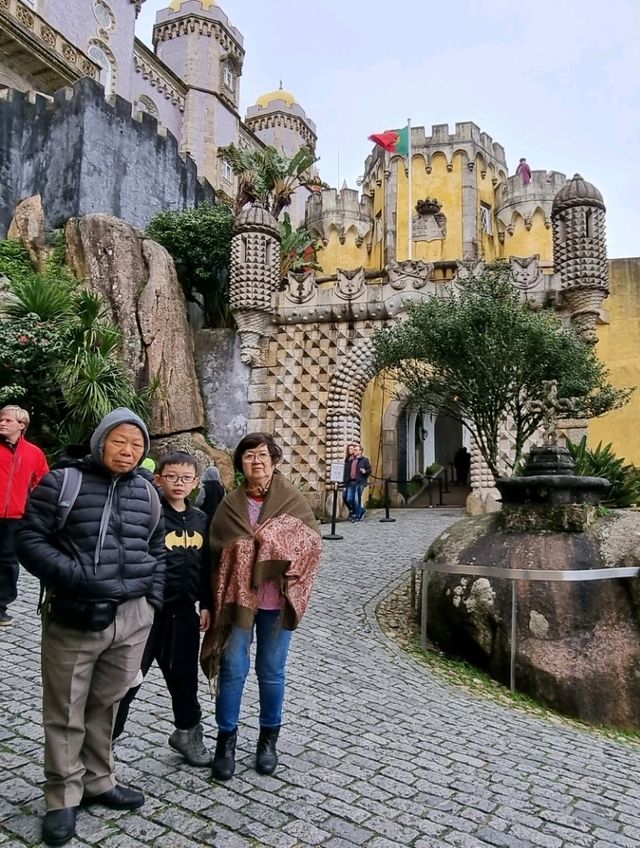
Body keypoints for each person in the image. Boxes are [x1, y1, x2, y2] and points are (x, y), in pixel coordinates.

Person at [16, 408, 166, 848]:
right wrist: (76, 578)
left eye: (137, 444)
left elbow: (156, 546)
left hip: (132, 617)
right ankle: (62, 797)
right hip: (75, 614)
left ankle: (99, 780)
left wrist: (150, 602)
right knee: (65, 709)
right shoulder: (63, 482)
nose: (128, 450)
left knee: (108, 703)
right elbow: (28, 539)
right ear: (101, 440)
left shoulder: (147, 492)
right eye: (120, 441)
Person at [200, 432, 322, 782]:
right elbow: (214, 552)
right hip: (238, 602)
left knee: (271, 671)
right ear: (240, 464)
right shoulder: (229, 505)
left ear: (275, 461)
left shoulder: (291, 500)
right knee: (233, 667)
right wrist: (244, 548)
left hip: (275, 601)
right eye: (249, 455)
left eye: (263, 455)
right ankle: (226, 741)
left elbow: (311, 545)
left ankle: (268, 740)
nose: (256, 461)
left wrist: (271, 544)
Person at [113, 450, 212, 767]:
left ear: (195, 482)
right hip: (147, 612)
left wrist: (207, 603)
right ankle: (105, 742)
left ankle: (187, 732)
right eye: (171, 477)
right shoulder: (150, 515)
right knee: (128, 678)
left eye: (186, 478)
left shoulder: (200, 519)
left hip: (184, 613)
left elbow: (208, 566)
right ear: (158, 479)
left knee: (184, 678)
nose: (179, 483)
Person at [0, 405, 49, 626]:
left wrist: (35, 509)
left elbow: (43, 483)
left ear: (22, 425)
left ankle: (1, 607)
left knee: (8, 562)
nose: (2, 423)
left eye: (8, 420)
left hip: (16, 517)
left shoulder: (34, 453)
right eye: (1, 419)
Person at [343, 443, 372, 522]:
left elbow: (369, 470)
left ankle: (358, 516)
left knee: (356, 499)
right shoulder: (351, 460)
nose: (354, 451)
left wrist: (365, 471)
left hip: (360, 482)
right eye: (354, 450)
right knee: (349, 499)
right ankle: (361, 510)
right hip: (351, 482)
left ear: (360, 451)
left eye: (355, 450)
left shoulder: (365, 460)